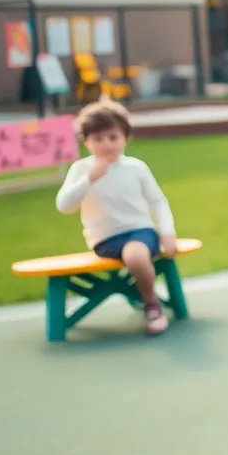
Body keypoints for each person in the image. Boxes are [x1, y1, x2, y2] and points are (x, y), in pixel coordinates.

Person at [55, 99, 178, 336]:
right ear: (87, 141)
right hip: (105, 239)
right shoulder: (81, 170)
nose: (106, 144)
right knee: (132, 253)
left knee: (135, 253)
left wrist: (167, 232)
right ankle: (149, 299)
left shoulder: (136, 167)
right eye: (98, 139)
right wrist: (89, 179)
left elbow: (158, 201)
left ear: (125, 137)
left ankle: (151, 304)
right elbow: (64, 205)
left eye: (112, 137)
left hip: (140, 231)